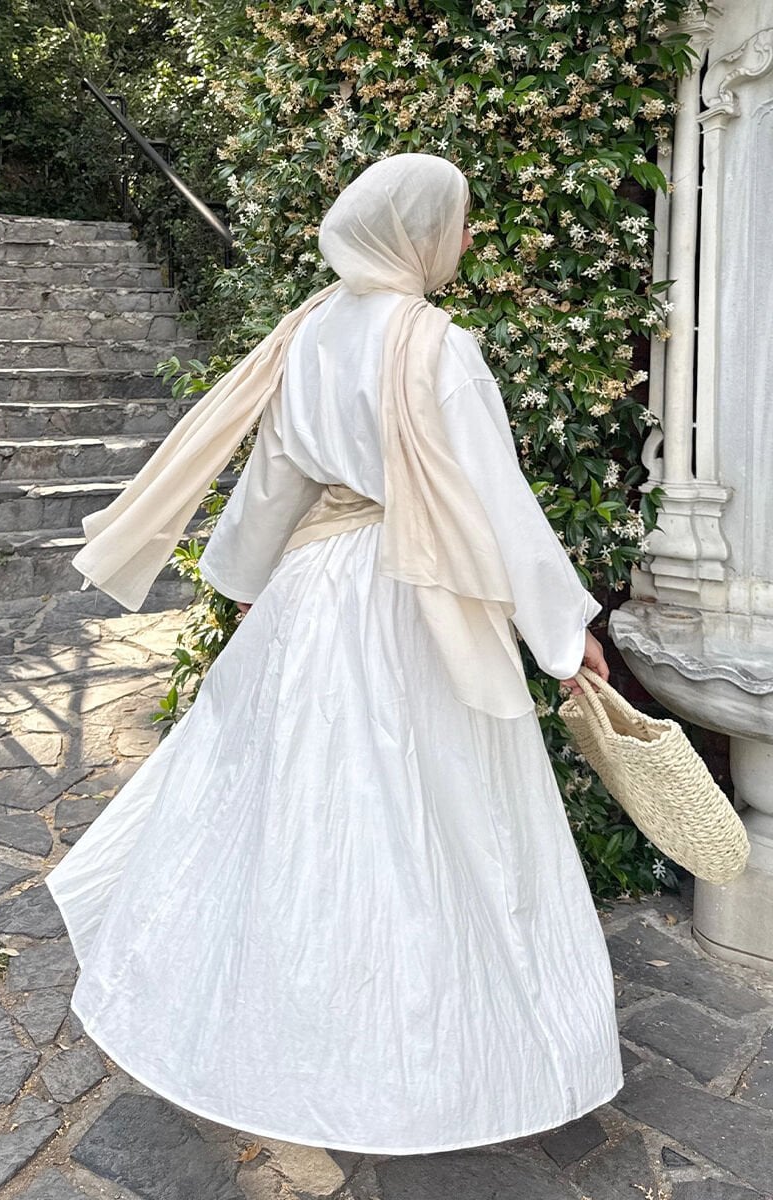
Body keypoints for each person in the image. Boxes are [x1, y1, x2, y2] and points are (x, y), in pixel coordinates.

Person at [45, 152, 623, 1156]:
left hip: (313, 591)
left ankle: (280, 1029)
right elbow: (501, 506)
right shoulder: (438, 345)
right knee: (431, 815)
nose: (467, 238)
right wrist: (563, 638)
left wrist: (244, 581)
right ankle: (425, 1059)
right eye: (458, 220)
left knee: (289, 807)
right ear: (414, 231)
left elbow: (275, 474)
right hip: (414, 596)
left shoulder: (307, 330)